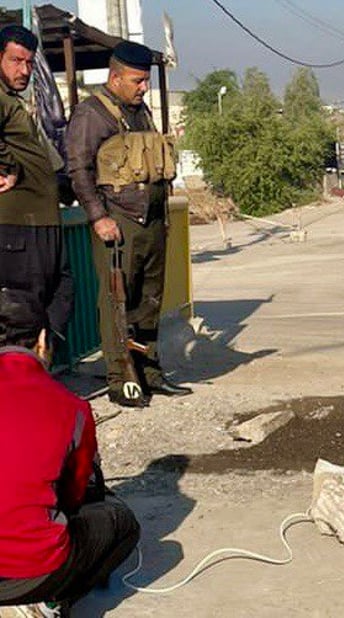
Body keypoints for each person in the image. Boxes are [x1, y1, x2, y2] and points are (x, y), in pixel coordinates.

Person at [66, 41, 191, 408]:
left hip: (152, 219)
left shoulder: (141, 112)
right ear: (114, 76)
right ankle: (122, 379)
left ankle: (149, 371)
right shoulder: (91, 114)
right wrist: (98, 217)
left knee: (149, 299)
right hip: (118, 221)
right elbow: (79, 169)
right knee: (117, 302)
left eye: (145, 81)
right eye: (137, 81)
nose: (143, 88)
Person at [0, 306, 141, 616]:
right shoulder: (71, 406)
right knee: (122, 522)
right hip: (26, 568)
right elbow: (75, 496)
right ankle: (47, 599)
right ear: (41, 340)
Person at [0, 25, 71, 358]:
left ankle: (37, 388)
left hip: (41, 225)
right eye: (16, 61)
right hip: (17, 229)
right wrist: (7, 167)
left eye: (29, 62)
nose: (24, 70)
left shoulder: (13, 101)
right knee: (20, 318)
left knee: (56, 299)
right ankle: (17, 397)